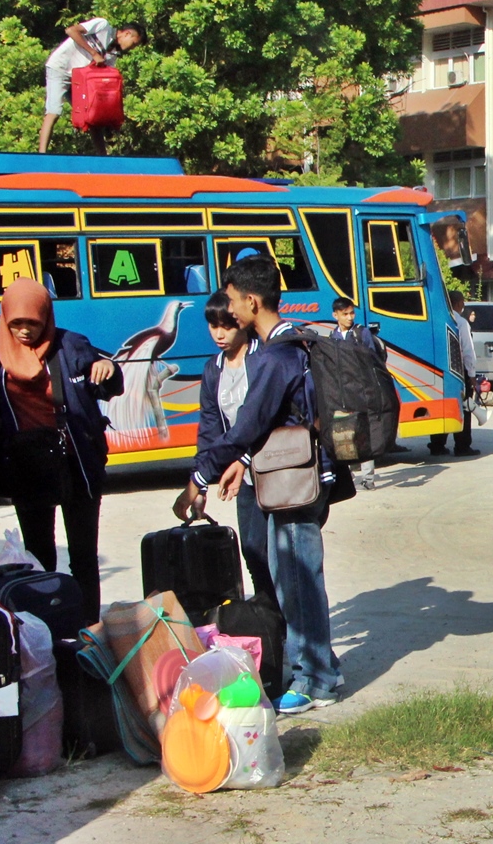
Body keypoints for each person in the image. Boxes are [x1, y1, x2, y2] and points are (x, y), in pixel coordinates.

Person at [173, 256, 345, 714]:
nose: (228, 310)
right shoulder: (290, 346)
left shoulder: (276, 355)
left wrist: (198, 478)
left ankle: (316, 681)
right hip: (292, 477)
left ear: (251, 301)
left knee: (297, 579)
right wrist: (237, 460)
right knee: (294, 575)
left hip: (292, 484)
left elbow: (247, 424)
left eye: (231, 300)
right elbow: (272, 422)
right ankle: (321, 662)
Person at [0, 279, 122, 626]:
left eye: (33, 322)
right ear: (5, 319)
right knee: (39, 556)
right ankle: (47, 628)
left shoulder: (71, 345)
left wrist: (108, 370)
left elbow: (109, 383)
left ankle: (87, 629)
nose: (25, 331)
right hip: (25, 465)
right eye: (17, 324)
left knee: (83, 556)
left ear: (46, 316)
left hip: (76, 463)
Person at [192, 291, 274, 602]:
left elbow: (268, 418)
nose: (219, 333)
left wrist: (241, 457)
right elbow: (210, 428)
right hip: (247, 478)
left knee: (281, 556)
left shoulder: (263, 357)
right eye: (213, 326)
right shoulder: (213, 368)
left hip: (277, 470)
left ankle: (291, 625)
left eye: (226, 325)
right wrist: (199, 481)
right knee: (252, 551)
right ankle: (271, 621)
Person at [38, 19, 148, 154]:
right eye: (134, 43)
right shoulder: (103, 26)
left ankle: (102, 158)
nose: (132, 48)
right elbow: (71, 31)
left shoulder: (113, 52)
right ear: (127, 34)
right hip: (61, 68)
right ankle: (41, 154)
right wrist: (94, 53)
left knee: (94, 117)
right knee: (54, 112)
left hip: (81, 79)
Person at [331, 297, 385, 488]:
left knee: (364, 433)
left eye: (351, 313)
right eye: (345, 314)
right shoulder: (333, 337)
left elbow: (373, 361)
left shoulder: (362, 333)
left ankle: (368, 478)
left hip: (363, 390)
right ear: (335, 315)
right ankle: (349, 478)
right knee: (346, 433)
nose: (349, 317)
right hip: (344, 392)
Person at [430, 290, 478, 457]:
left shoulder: (435, 319)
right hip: (458, 372)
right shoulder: (461, 322)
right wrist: (472, 375)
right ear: (459, 304)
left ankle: (437, 445)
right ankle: (462, 445)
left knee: (441, 406)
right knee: (463, 407)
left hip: (437, 370)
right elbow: (467, 351)